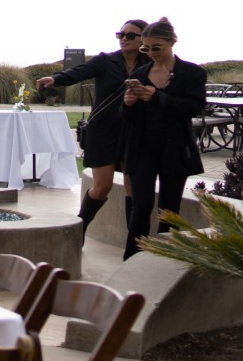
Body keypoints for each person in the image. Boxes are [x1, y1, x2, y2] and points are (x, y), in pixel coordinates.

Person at [37, 18, 148, 228]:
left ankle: (134, 242)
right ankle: (80, 228)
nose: (124, 39)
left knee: (133, 188)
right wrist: (55, 79)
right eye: (120, 35)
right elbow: (79, 72)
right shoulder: (105, 60)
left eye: (130, 35)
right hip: (103, 131)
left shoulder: (149, 64)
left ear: (144, 38)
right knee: (101, 188)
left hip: (134, 131)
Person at [121, 17, 208, 259]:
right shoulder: (141, 72)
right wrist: (128, 104)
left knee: (169, 209)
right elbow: (131, 116)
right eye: (145, 48)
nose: (151, 53)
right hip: (142, 147)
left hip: (174, 147)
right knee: (141, 206)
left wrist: (157, 97)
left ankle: (165, 258)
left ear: (173, 42)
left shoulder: (191, 73)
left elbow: (193, 107)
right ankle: (133, 258)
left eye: (156, 48)